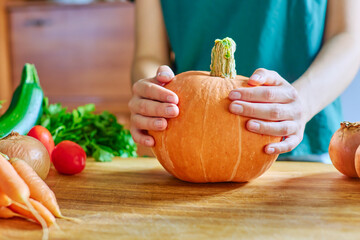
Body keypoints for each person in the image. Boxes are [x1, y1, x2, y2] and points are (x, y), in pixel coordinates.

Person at [128, 0, 360, 162]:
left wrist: (302, 101)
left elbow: (349, 35)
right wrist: (152, 92)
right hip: (188, 145)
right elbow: (149, 55)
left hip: (307, 145)